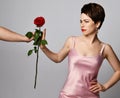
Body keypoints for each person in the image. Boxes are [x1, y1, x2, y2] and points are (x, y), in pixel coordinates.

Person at [40, 3, 120, 98]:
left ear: (97, 24)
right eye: (80, 21)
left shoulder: (105, 48)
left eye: (86, 21)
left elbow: (118, 70)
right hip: (67, 95)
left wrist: (105, 86)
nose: (82, 25)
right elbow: (57, 58)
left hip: (91, 96)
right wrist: (43, 47)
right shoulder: (72, 41)